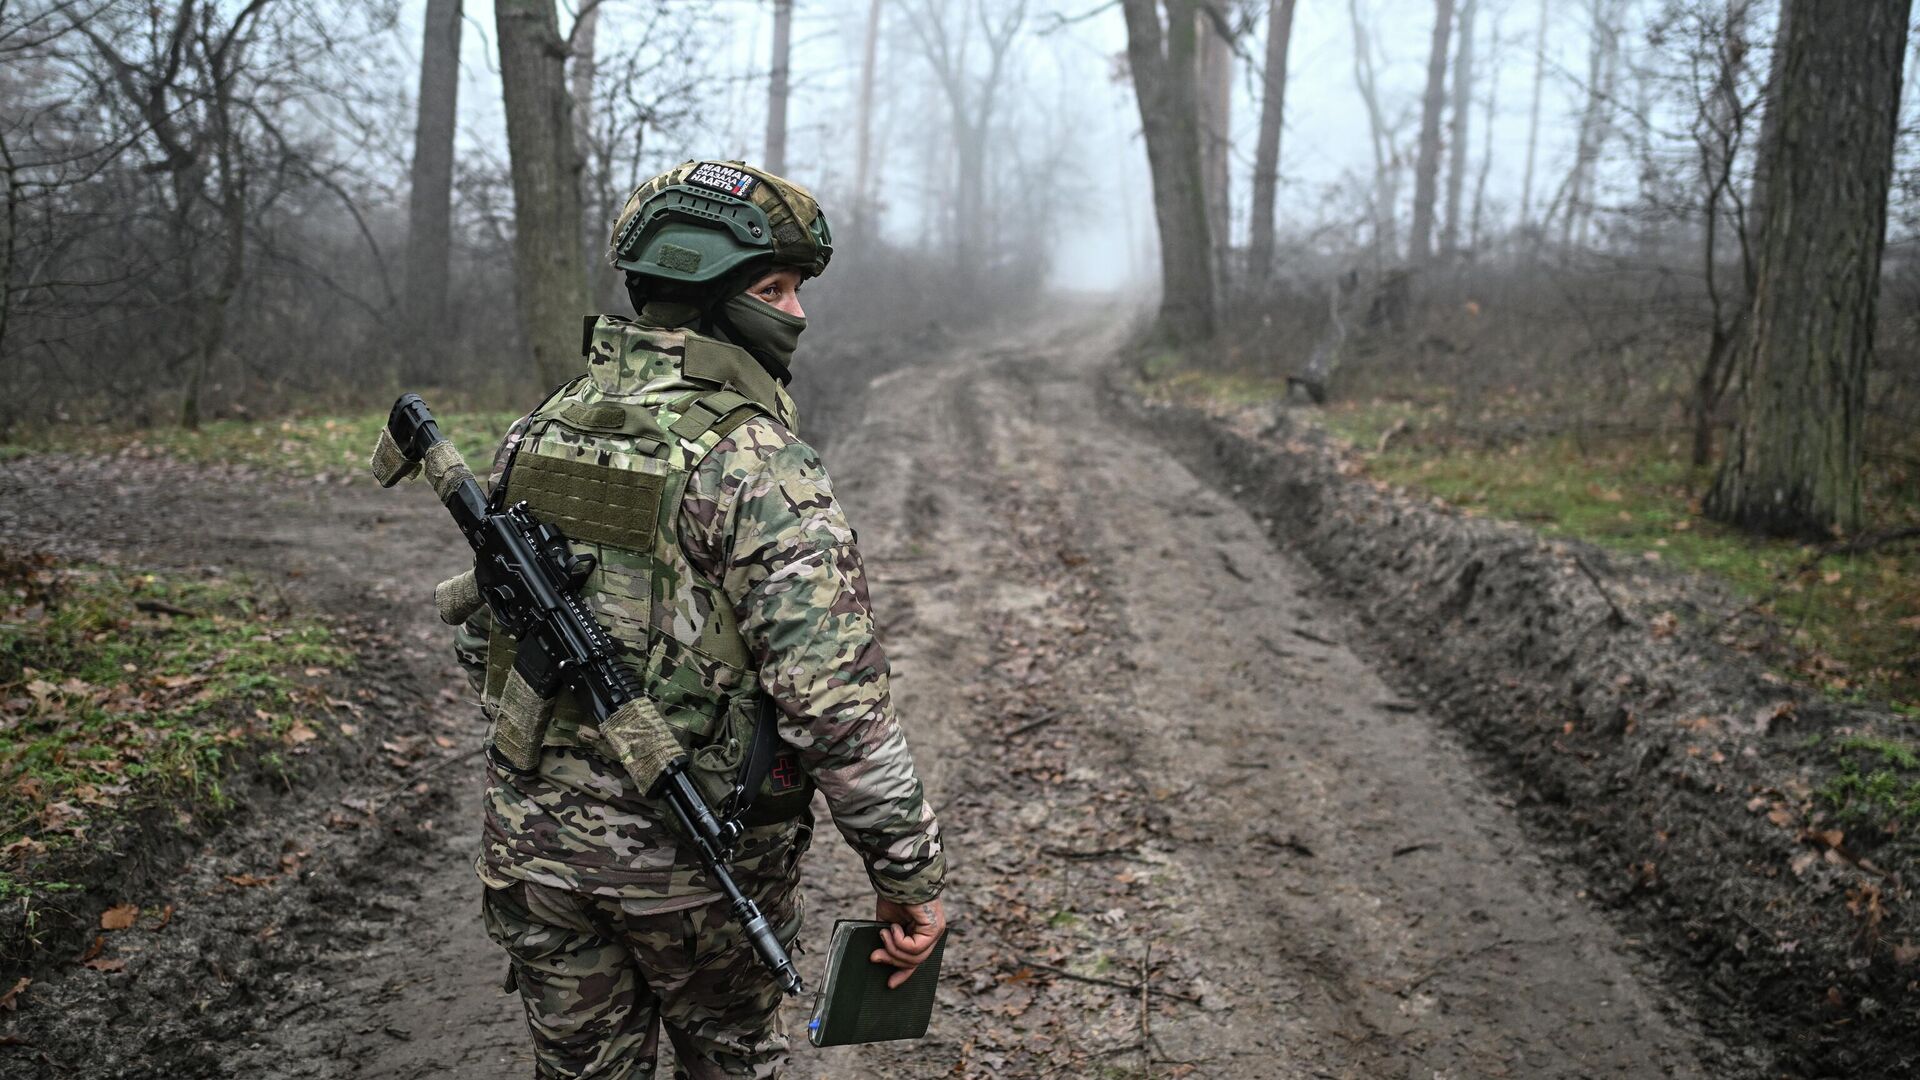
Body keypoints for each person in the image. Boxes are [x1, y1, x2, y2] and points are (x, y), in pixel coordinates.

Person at [453, 159, 947, 1079]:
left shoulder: (540, 428)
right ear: (705, 290)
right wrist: (906, 873)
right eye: (774, 289)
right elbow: (836, 707)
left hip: (537, 860)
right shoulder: (759, 464)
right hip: (699, 881)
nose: (797, 313)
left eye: (797, 288)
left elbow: (482, 641)